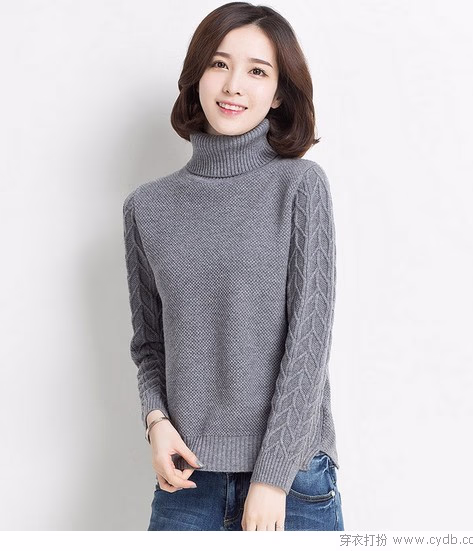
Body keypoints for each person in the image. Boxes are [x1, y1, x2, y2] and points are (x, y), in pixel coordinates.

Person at [122, 2, 344, 531]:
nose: (233, 85)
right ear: (197, 74)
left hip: (291, 479)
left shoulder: (300, 186)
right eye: (219, 64)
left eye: (258, 71)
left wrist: (272, 479)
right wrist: (155, 421)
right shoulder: (146, 207)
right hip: (187, 478)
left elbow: (308, 344)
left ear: (279, 93)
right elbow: (150, 345)